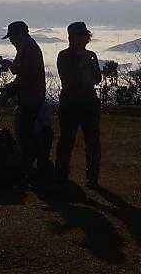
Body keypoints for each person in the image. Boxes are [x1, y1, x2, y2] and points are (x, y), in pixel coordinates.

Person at [0, 20, 51, 180]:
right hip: (31, 97)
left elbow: (25, 71)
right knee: (29, 134)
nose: (11, 41)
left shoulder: (29, 48)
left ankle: (29, 169)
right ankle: (32, 167)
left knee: (25, 135)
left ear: (19, 35)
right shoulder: (27, 47)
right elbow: (22, 73)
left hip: (31, 99)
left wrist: (9, 64)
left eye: (12, 37)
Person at [56, 21, 103, 188]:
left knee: (92, 142)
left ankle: (92, 178)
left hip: (87, 103)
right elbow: (67, 79)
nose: (82, 39)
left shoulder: (91, 55)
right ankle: (61, 176)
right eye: (79, 36)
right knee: (66, 141)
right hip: (71, 103)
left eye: (84, 35)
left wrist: (89, 68)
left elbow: (97, 79)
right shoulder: (64, 56)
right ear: (72, 38)